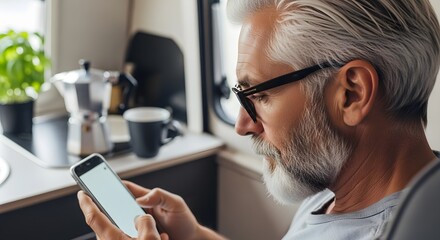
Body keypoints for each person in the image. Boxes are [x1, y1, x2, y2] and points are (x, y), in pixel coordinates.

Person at [77, 0, 440, 239]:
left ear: (352, 93)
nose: (242, 125)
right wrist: (195, 236)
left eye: (260, 96)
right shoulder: (338, 184)